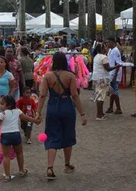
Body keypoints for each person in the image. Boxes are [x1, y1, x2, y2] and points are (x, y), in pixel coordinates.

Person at [36, 52, 87, 180]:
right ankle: (67, 164)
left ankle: (50, 168)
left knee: (52, 136)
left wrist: (38, 112)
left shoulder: (47, 76)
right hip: (67, 106)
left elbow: (42, 95)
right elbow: (75, 95)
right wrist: (82, 113)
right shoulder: (70, 75)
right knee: (68, 134)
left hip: (53, 106)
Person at [0, 95, 38, 182]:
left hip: (5, 135)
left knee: (6, 156)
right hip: (15, 134)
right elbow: (26, 118)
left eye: (2, 104)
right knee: (19, 153)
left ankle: (7, 175)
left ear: (8, 105)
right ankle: (21, 171)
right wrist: (35, 120)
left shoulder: (3, 114)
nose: (0, 105)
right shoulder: (17, 111)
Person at [92, 43, 120, 120]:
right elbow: (107, 68)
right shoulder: (104, 57)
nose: (107, 48)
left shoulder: (96, 56)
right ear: (102, 49)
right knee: (101, 97)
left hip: (97, 78)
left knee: (100, 96)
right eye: (106, 47)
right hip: (102, 78)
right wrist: (116, 66)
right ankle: (99, 115)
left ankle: (100, 113)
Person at [106, 38, 123, 114]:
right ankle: (111, 107)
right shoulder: (110, 50)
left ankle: (118, 108)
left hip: (114, 73)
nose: (107, 44)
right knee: (112, 91)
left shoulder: (116, 51)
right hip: (111, 73)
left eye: (108, 42)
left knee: (115, 91)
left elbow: (118, 64)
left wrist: (115, 76)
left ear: (112, 42)